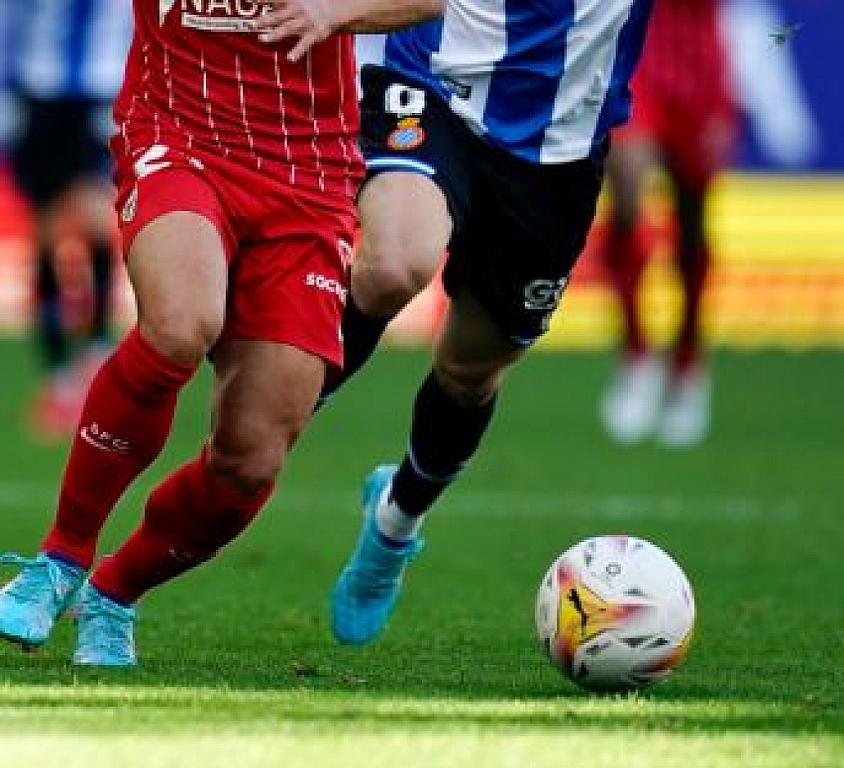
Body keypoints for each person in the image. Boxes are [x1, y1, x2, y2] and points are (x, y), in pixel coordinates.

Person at [0, 0, 441, 667]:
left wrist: (335, 11)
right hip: (180, 135)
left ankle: (114, 593)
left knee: (251, 458)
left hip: (306, 171)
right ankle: (59, 560)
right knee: (180, 326)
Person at [319, 3, 656, 646]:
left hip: (561, 145)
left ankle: (394, 524)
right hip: (433, 84)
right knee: (392, 267)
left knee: (469, 371)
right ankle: (268, 416)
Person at [598, 0, 737, 447]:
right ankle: (636, 353)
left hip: (699, 63)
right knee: (626, 196)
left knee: (692, 229)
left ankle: (687, 362)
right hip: (639, 54)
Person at [4, 0, 133, 438]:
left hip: (101, 92)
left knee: (96, 222)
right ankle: (58, 374)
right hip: (38, 96)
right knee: (45, 235)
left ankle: (96, 350)